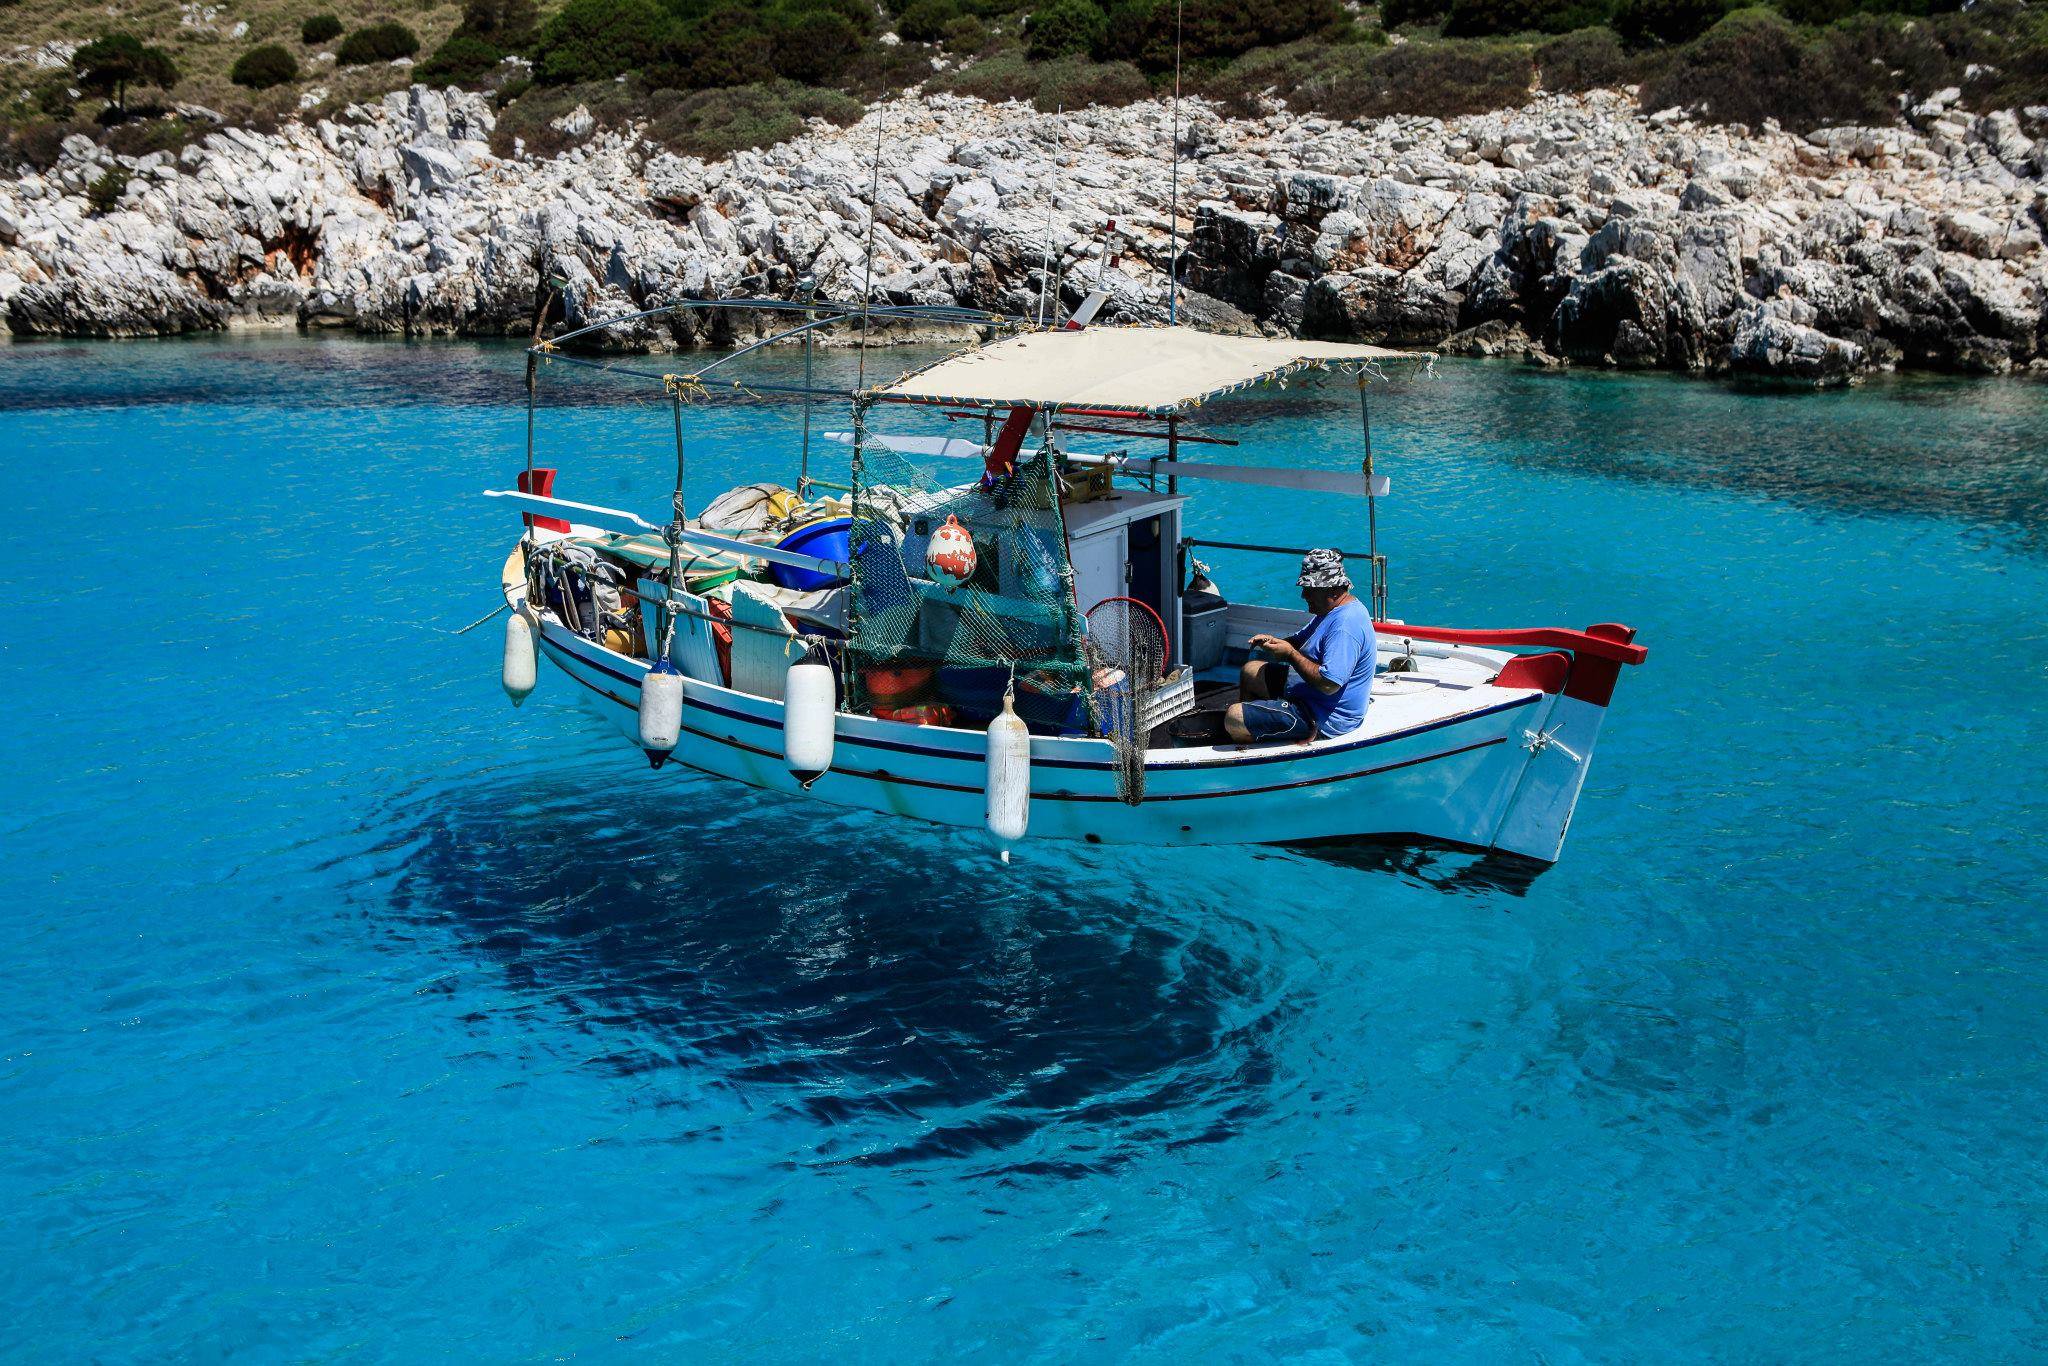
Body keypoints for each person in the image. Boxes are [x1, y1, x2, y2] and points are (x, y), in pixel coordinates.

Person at [1224, 549, 1377, 744]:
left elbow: (1329, 684)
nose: (1304, 595)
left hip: (1324, 717)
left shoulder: (1345, 625)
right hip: (1309, 695)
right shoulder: (1330, 611)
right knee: (1250, 670)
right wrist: (1272, 642)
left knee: (1234, 716)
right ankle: (1252, 731)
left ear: (1333, 589)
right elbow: (1299, 640)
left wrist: (1290, 655)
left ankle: (1248, 740)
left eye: (1310, 589)